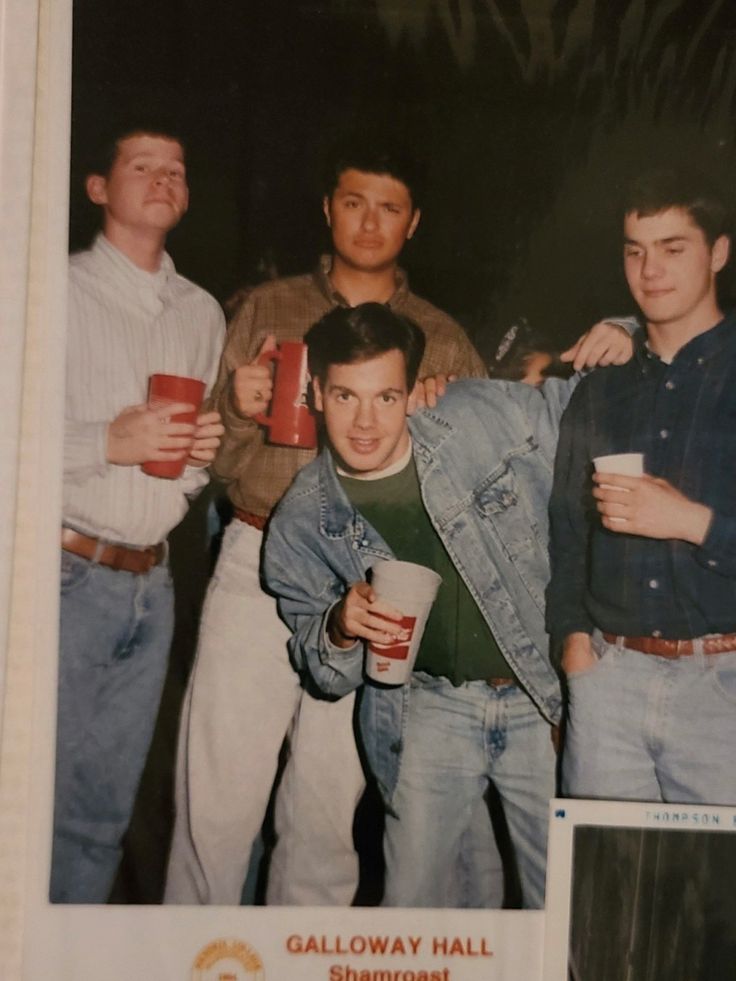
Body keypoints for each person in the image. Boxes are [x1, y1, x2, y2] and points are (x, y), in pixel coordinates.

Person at [163, 140, 495, 907]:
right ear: (327, 208)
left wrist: (447, 425)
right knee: (214, 802)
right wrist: (237, 409)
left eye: (389, 206)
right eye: (354, 201)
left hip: (370, 581)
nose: (369, 221)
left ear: (414, 222)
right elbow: (213, 459)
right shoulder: (266, 307)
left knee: (325, 815)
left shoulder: (440, 338)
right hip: (255, 553)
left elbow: (484, 486)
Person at [263, 302, 633, 908]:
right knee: (412, 915)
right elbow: (322, 672)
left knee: (571, 907)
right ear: (315, 394)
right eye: (346, 396)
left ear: (411, 392)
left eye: (385, 397)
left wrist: (626, 332)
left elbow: (588, 405)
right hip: (426, 709)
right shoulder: (304, 518)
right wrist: (339, 626)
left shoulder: (475, 415)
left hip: (540, 697)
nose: (364, 422)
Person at [53, 122, 225, 903]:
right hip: (62, 573)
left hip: (151, 590)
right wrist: (109, 440)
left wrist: (197, 460)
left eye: (177, 169)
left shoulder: (203, 312)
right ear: (98, 187)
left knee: (102, 815)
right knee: (30, 801)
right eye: (142, 165)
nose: (163, 179)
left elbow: (188, 470)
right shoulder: (50, 289)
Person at [547, 167, 736, 805]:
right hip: (610, 684)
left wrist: (691, 522)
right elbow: (567, 531)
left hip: (725, 689)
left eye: (673, 248)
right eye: (636, 251)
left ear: (718, 253)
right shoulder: (604, 386)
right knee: (602, 897)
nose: (650, 269)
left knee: (714, 904)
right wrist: (574, 644)